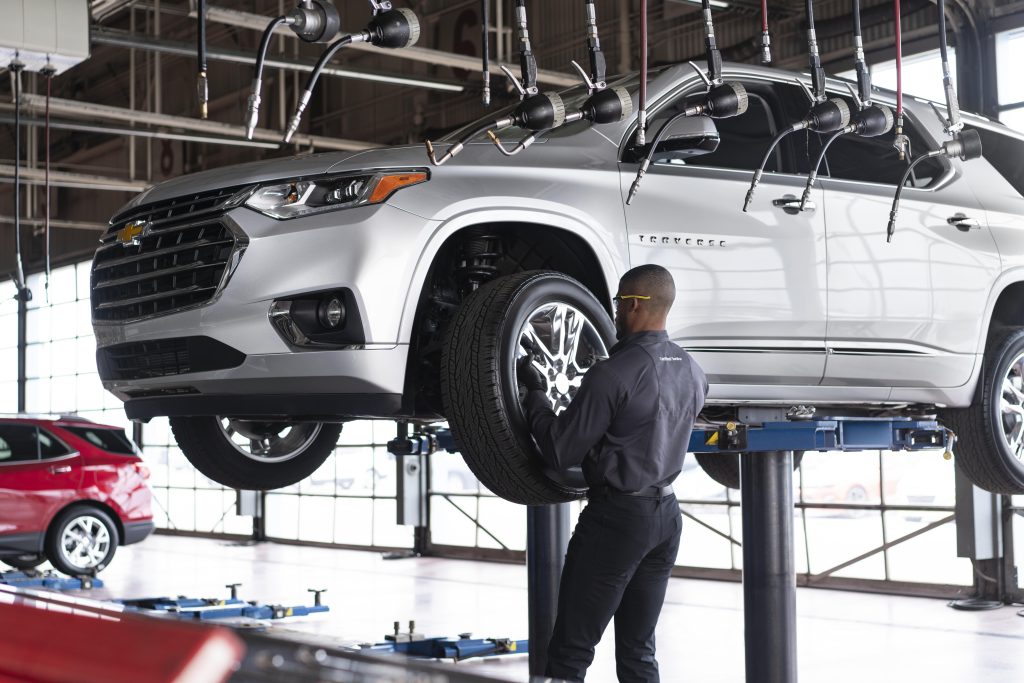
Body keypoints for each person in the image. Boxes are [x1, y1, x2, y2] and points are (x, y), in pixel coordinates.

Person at [516, 263, 708, 683]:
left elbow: (560, 448)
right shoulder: (694, 371)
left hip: (617, 520)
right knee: (639, 651)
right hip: (666, 518)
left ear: (636, 304)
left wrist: (534, 397)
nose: (615, 311)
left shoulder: (613, 372)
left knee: (570, 650)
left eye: (620, 302)